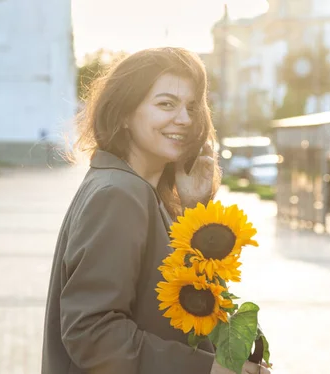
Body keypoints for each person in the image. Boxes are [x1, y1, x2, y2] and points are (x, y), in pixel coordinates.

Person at [42, 48, 271, 374]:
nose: (185, 119)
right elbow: (91, 333)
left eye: (192, 107)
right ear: (123, 113)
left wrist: (195, 209)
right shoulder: (118, 194)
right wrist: (207, 370)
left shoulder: (140, 191)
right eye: (166, 104)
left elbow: (188, 306)